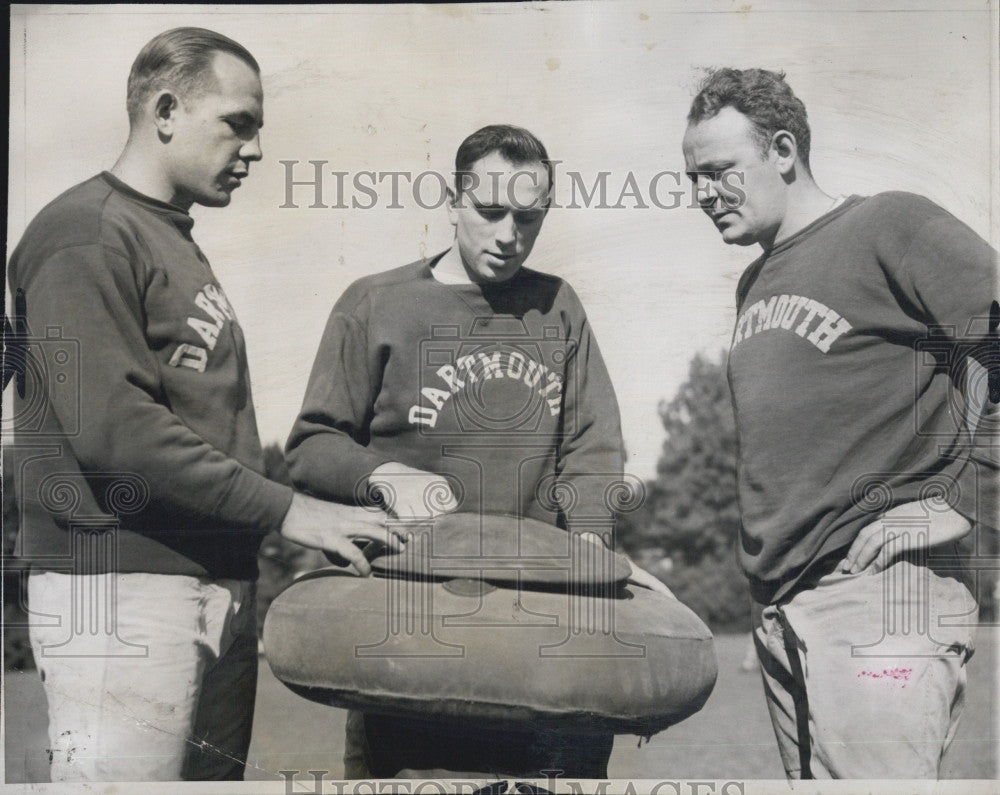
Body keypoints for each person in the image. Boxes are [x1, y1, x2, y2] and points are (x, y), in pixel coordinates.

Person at [6, 27, 399, 783]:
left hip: (207, 577)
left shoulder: (169, 237)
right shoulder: (83, 232)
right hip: (116, 588)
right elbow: (116, 434)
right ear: (164, 110)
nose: (253, 149)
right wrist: (289, 509)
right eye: (237, 123)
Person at [286, 124, 640, 778]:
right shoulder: (375, 303)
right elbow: (310, 447)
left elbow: (593, 445)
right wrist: (383, 473)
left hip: (538, 619)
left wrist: (590, 539)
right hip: (411, 619)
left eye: (529, 217)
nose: (510, 233)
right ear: (453, 201)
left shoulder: (558, 306)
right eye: (491, 211)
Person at [681, 67, 997, 779]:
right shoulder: (754, 281)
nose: (702, 195)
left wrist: (967, 499)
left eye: (720, 172)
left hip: (886, 593)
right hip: (785, 611)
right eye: (691, 178)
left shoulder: (889, 223)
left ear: (784, 150)